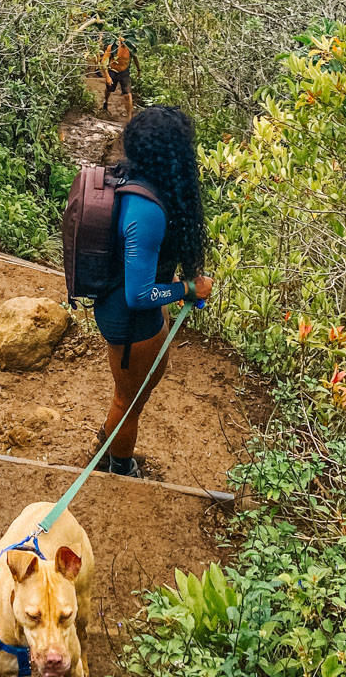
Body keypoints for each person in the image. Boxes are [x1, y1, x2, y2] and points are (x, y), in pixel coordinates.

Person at [91, 105, 213, 477]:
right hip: (129, 320)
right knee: (129, 400)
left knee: (128, 395)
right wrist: (187, 288)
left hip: (129, 315)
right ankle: (121, 469)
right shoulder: (146, 212)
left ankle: (107, 439)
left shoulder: (138, 181)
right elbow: (138, 295)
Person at [98, 32, 139, 119]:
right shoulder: (112, 47)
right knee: (109, 89)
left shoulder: (131, 48)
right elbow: (103, 63)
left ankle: (129, 117)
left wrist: (139, 70)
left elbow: (135, 58)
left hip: (124, 72)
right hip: (112, 70)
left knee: (128, 94)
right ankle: (106, 102)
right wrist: (107, 77)